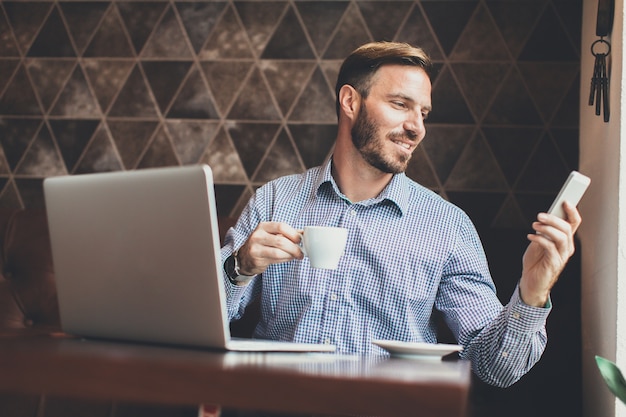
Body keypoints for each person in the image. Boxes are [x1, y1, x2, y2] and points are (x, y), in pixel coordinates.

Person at [220, 41, 581, 388]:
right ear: (350, 101)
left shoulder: (447, 225)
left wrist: (532, 292)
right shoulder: (274, 200)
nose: (416, 127)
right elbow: (201, 322)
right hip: (277, 404)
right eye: (400, 105)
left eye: (422, 113)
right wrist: (239, 267)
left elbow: (496, 368)